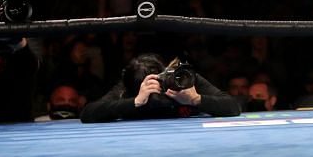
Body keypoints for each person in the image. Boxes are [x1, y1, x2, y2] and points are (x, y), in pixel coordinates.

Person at [80, 53, 240, 122]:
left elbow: (233, 107)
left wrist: (196, 99)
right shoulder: (127, 88)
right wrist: (134, 102)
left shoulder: (182, 80)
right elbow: (88, 113)